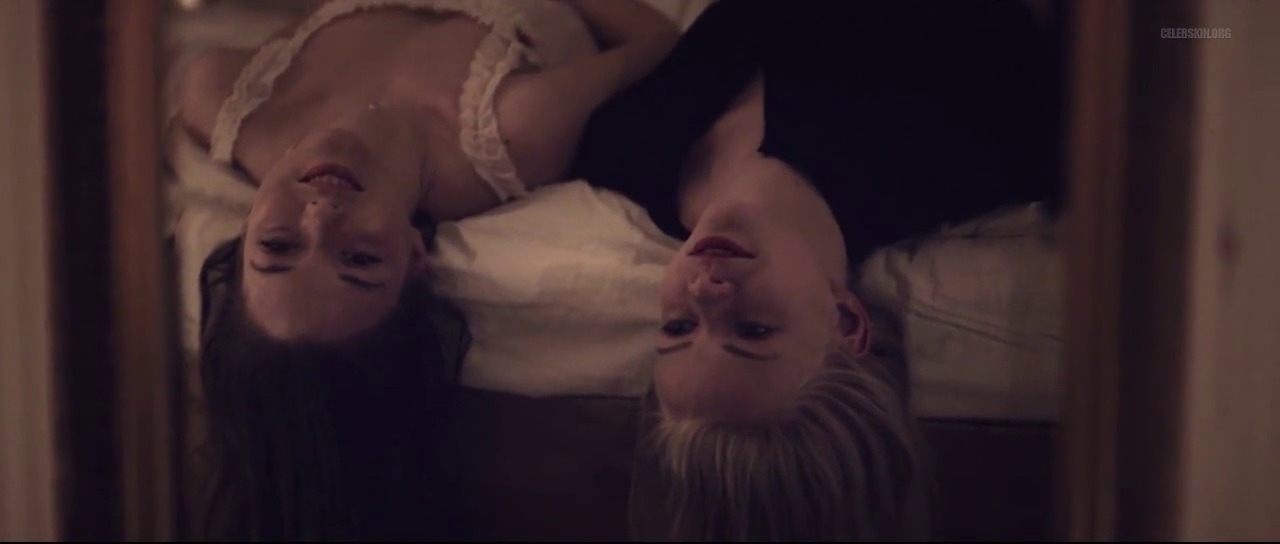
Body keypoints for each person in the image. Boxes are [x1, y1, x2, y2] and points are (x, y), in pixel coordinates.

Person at [172, 0, 680, 539]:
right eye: (359, 259)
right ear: (414, 258)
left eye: (278, 246)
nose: (319, 218)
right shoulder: (514, 128)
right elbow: (658, 44)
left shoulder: (221, 95)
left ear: (243, 234)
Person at [569, 0, 1061, 539]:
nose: (706, 290)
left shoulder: (622, 156)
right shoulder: (974, 143)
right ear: (846, 323)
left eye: (679, 327)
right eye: (752, 331)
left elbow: (649, 43)